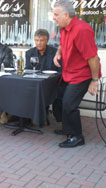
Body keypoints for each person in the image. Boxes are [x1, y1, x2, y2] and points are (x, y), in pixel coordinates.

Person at [53, 0, 101, 148]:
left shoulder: (82, 30)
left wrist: (94, 80)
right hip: (68, 72)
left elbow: (92, 57)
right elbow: (62, 42)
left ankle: (77, 137)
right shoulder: (63, 27)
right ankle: (68, 129)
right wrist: (58, 53)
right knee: (58, 98)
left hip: (82, 75)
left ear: (66, 15)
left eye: (56, 15)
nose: (54, 17)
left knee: (69, 103)